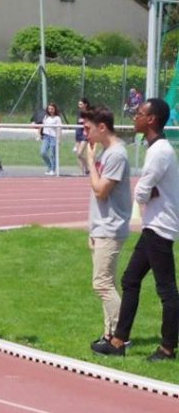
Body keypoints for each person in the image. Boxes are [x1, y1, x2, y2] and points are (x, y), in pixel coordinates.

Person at [93, 98, 179, 361]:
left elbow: (142, 188)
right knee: (130, 279)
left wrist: (143, 199)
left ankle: (167, 348)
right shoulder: (157, 148)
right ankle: (118, 341)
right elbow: (149, 188)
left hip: (160, 227)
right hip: (153, 226)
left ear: (151, 120)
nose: (135, 117)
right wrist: (147, 195)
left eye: (140, 113)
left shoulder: (160, 151)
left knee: (167, 290)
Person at [81, 104, 132, 350]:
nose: (85, 133)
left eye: (88, 128)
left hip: (110, 228)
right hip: (100, 227)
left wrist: (91, 162)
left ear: (102, 127)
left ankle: (121, 336)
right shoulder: (106, 152)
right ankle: (109, 334)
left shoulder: (116, 154)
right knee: (106, 283)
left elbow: (101, 191)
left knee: (101, 284)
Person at [37, 102, 63, 175]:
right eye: (49, 109)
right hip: (46, 137)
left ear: (55, 109)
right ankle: (49, 165)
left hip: (53, 137)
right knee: (43, 152)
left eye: (52, 109)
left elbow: (60, 129)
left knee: (53, 154)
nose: (50, 110)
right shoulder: (46, 117)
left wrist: (59, 139)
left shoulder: (57, 118)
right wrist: (39, 134)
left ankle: (53, 169)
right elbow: (41, 126)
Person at [74, 98, 91, 175]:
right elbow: (78, 123)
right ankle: (82, 171)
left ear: (85, 104)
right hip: (78, 133)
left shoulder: (89, 112)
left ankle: (88, 167)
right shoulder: (79, 113)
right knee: (78, 154)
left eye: (81, 104)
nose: (79, 106)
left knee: (80, 153)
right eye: (79, 104)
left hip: (85, 133)